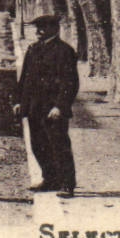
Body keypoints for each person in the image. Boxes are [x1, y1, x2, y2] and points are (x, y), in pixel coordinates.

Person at [14, 12, 79, 196]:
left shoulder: (64, 51)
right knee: (38, 145)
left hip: (52, 108)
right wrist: (18, 101)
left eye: (43, 28)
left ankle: (67, 184)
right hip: (34, 107)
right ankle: (49, 179)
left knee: (59, 145)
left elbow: (70, 82)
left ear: (54, 29)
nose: (39, 31)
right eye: (37, 28)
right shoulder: (33, 49)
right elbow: (24, 78)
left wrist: (60, 106)